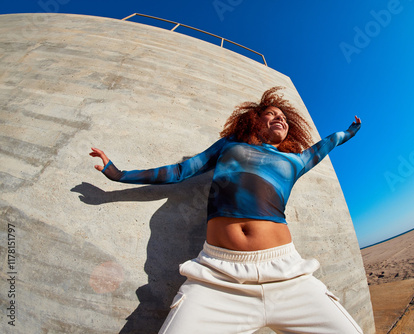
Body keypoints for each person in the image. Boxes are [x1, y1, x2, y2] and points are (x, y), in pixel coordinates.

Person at [90, 86, 363, 334]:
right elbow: (180, 171)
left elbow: (329, 142)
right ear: (254, 120)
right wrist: (118, 174)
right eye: (272, 114)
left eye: (285, 118)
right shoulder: (229, 146)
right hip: (218, 276)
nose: (282, 119)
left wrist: (349, 132)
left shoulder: (297, 160)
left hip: (288, 274)